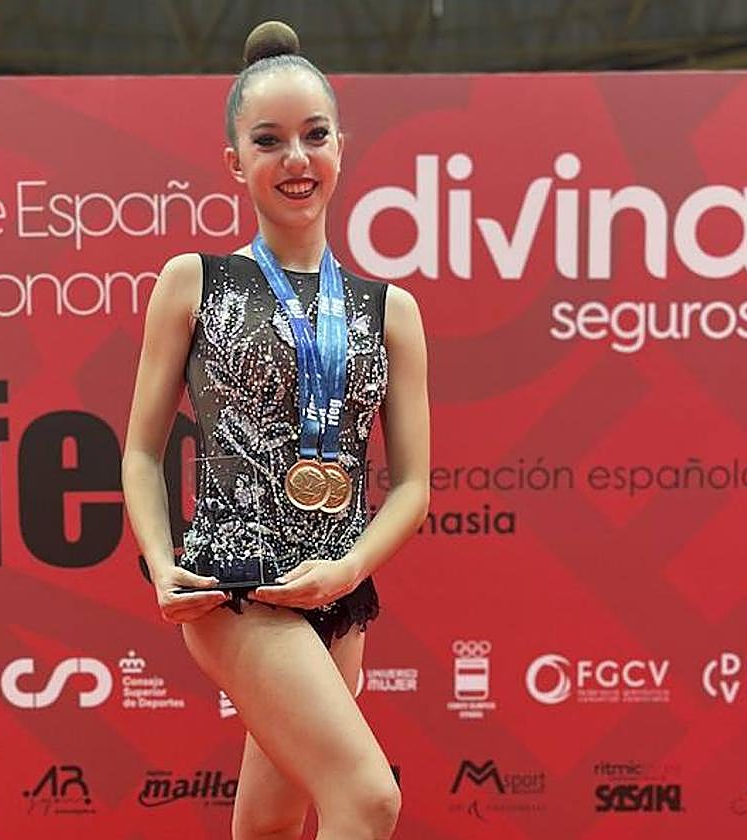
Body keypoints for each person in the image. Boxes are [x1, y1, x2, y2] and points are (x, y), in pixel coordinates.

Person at [122, 20, 429, 840]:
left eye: (314, 135)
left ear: (340, 145)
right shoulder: (193, 282)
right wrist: (161, 565)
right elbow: (142, 451)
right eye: (269, 140)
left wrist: (349, 569)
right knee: (368, 801)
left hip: (341, 595)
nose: (296, 158)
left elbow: (415, 486)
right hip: (238, 586)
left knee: (267, 826)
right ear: (236, 162)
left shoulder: (390, 310)